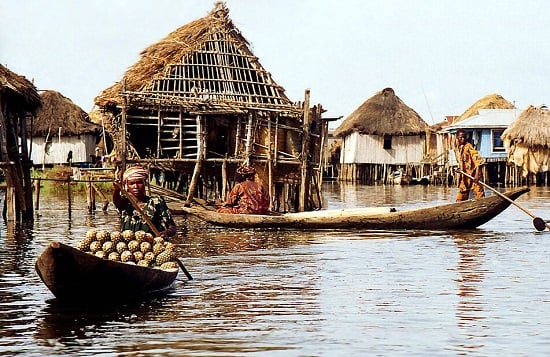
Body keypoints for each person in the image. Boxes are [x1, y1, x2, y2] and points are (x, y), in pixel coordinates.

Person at [113, 165, 177, 239]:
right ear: (127, 185)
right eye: (131, 183)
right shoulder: (125, 202)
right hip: (130, 245)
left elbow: (172, 227)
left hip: (151, 245)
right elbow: (116, 202)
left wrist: (166, 233)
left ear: (145, 183)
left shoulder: (156, 201)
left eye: (139, 182)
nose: (136, 186)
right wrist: (117, 190)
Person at [453, 129, 485, 201]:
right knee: (461, 197)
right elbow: (461, 162)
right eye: (461, 137)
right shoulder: (457, 148)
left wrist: (476, 175)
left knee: (480, 195)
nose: (463, 139)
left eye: (464, 137)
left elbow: (478, 161)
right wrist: (459, 169)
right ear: (457, 137)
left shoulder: (468, 146)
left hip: (473, 175)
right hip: (464, 176)